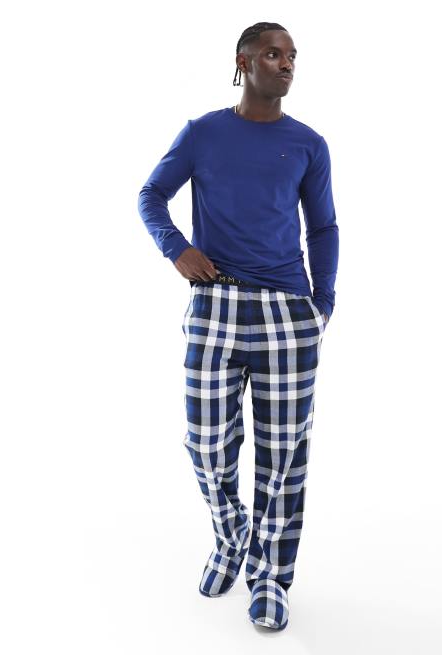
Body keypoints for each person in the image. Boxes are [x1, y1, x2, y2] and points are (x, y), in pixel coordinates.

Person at [137, 21, 339, 631]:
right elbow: (151, 195)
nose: (287, 63)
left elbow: (323, 226)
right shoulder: (203, 133)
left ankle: (270, 576)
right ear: (243, 62)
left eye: (292, 55)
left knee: (282, 456)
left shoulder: (308, 143)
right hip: (215, 305)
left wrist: (322, 305)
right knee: (205, 443)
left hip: (287, 313)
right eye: (273, 53)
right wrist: (177, 249)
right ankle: (232, 537)